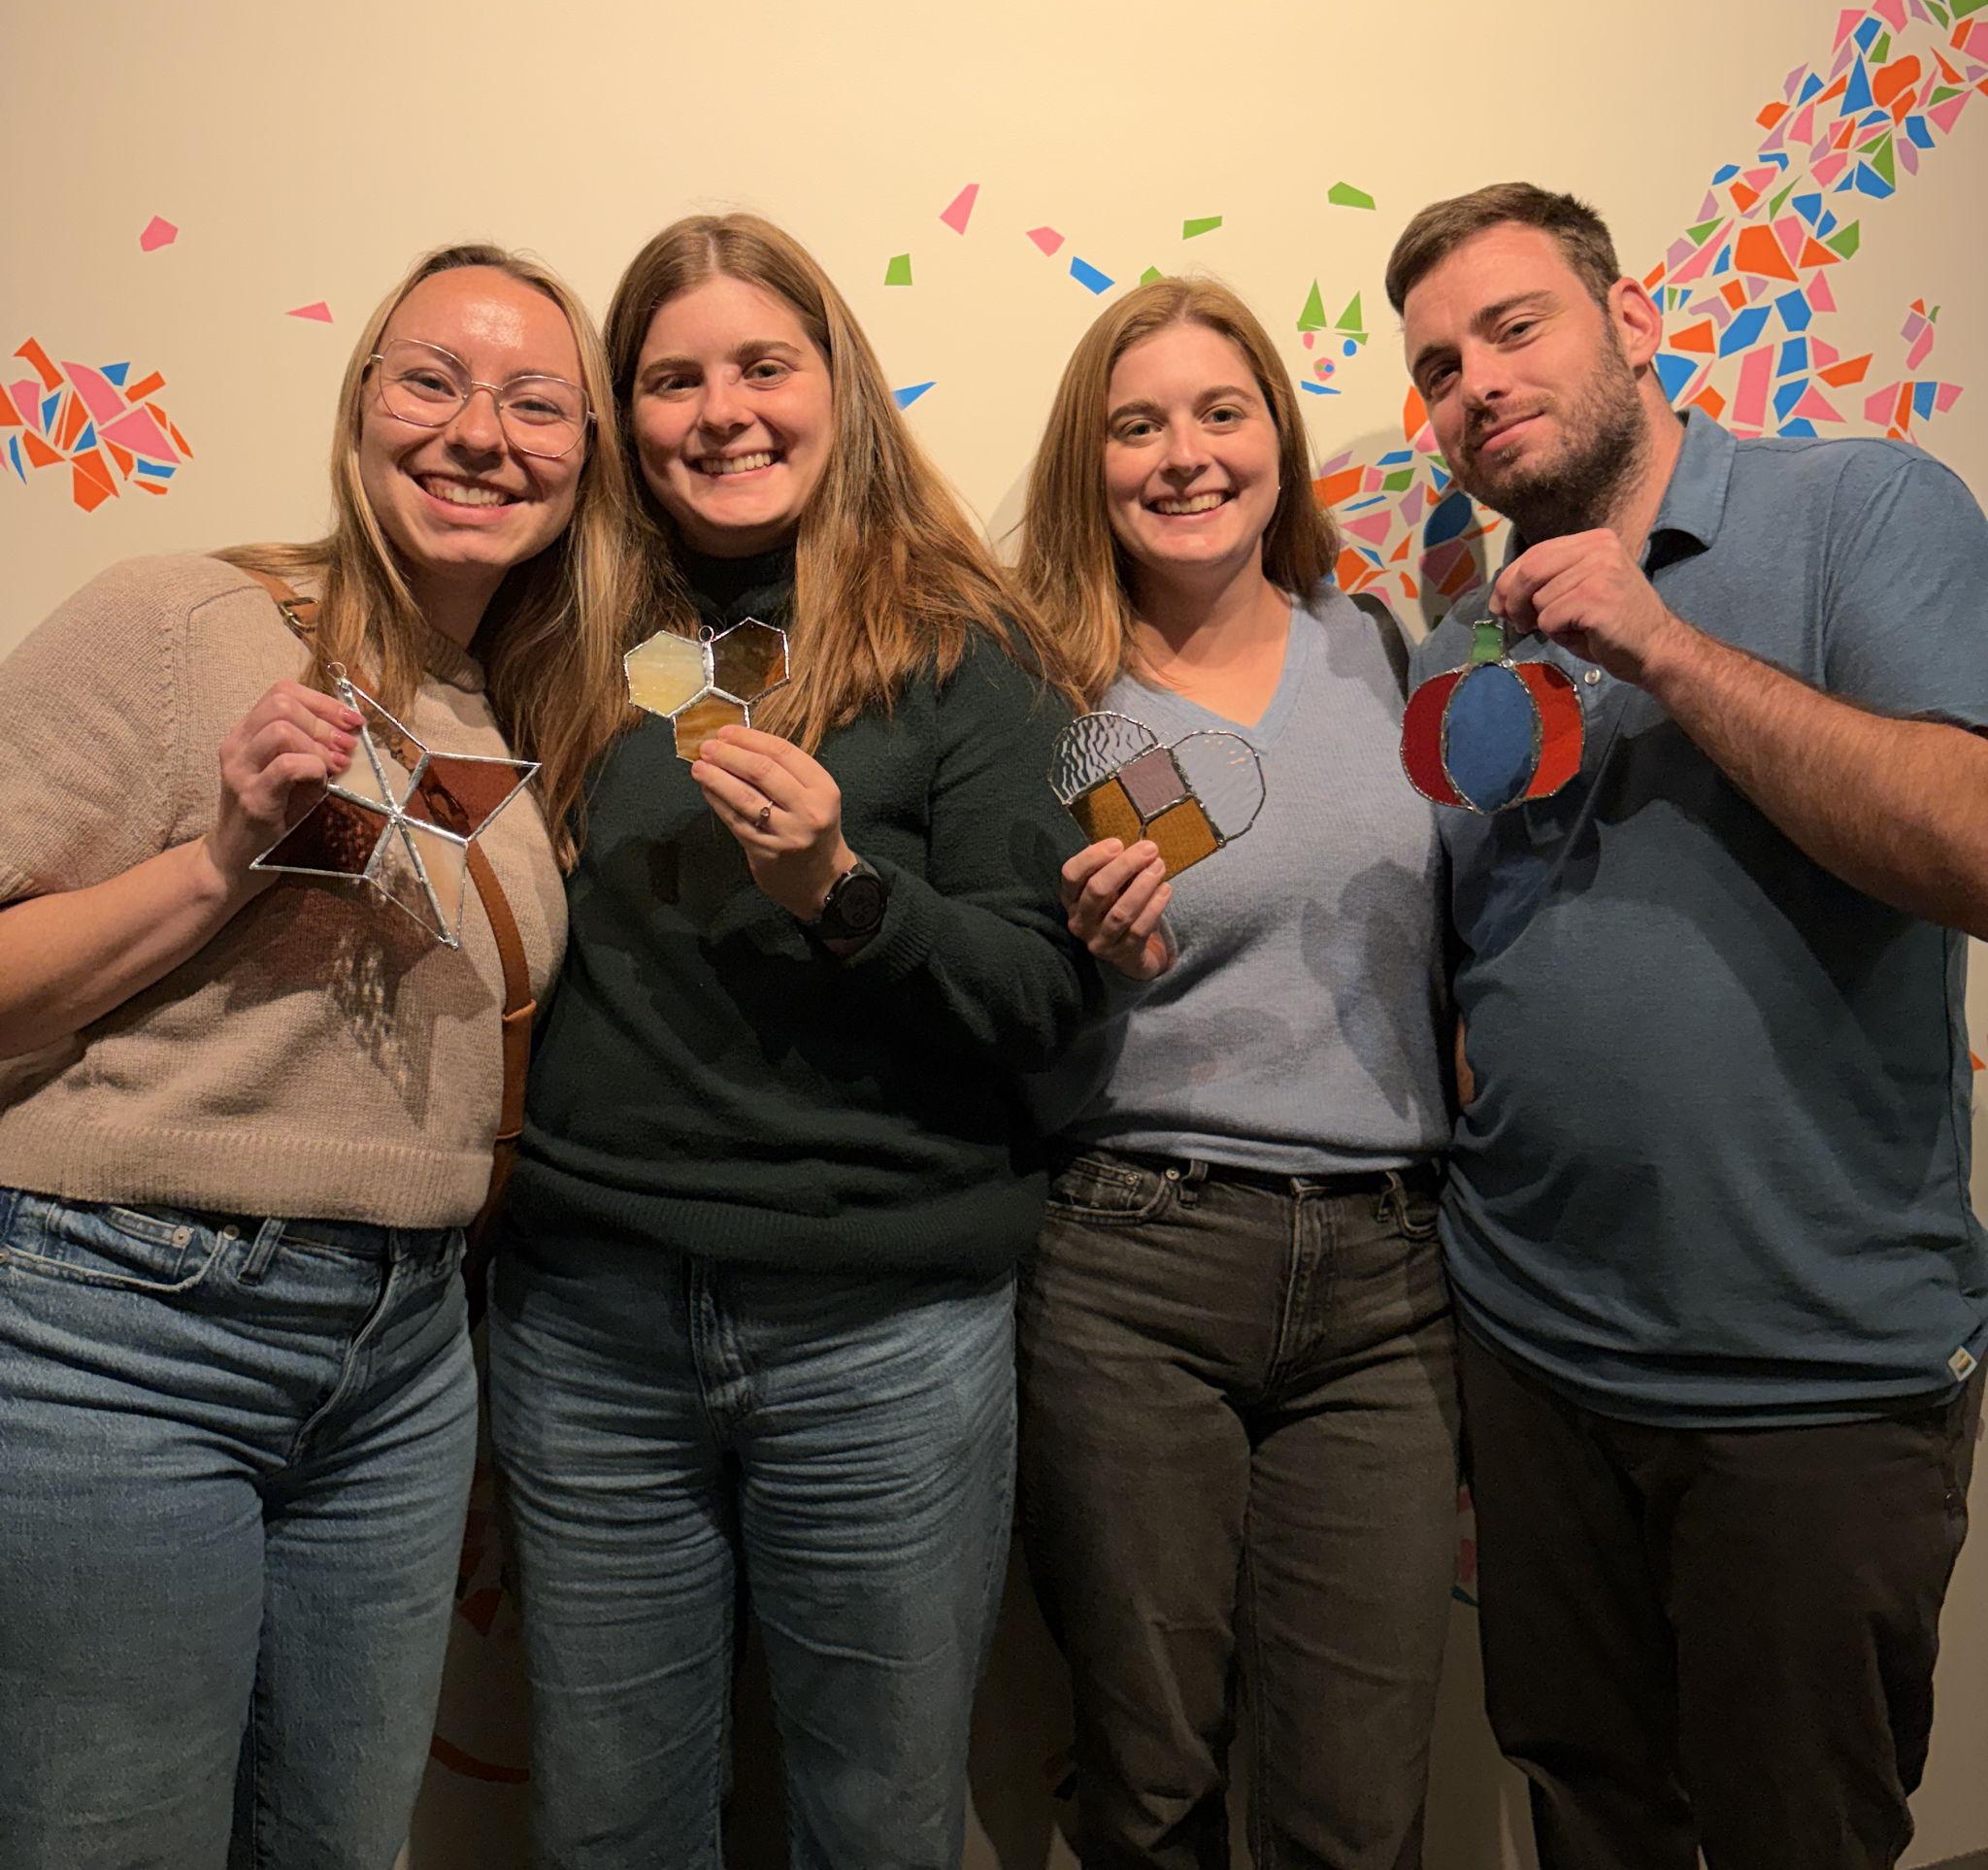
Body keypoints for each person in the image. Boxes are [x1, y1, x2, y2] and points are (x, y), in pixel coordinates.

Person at [0, 242, 638, 1868]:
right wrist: (222, 858)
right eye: (432, 382)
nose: (479, 432)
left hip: (404, 1364)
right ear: (359, 408)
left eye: (536, 403)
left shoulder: (516, 712)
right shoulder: (180, 617)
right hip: (123, 1333)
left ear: (586, 459)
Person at [1385, 180, 1988, 1870]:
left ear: (1631, 319)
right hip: (1534, 1356)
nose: (1478, 384)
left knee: (1799, 1831)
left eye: (1514, 327)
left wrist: (1667, 649)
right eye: (1438, 367)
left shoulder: (1859, 507)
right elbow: (1474, 966)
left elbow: (1971, 845)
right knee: (1589, 1819)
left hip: (1811, 1372)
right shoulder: (1457, 647)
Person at [485, 210, 1093, 1870]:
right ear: (625, 418)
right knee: (610, 1830)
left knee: (878, 1827)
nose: (723, 413)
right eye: (672, 379)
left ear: (839, 383)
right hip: (593, 1322)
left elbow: (1048, 997)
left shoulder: (963, 649)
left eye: (763, 365)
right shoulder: (562, 634)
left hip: (879, 1329)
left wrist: (843, 889)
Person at [1011, 276, 1460, 1870]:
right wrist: (1081, 959)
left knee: (1361, 1806)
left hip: (1391, 1281)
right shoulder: (1040, 693)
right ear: (1090, 461)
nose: (1185, 455)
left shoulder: (1384, 650)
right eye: (1137, 425)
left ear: (1278, 432)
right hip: (1132, 1264)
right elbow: (980, 999)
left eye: (1222, 411)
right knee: (1150, 1790)